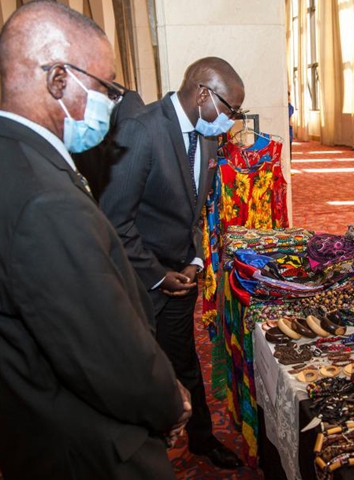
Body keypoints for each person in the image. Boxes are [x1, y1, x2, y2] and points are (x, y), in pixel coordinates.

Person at [0, 3, 189, 479]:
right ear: (60, 79)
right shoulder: (42, 197)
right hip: (91, 451)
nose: (112, 104)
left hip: (36, 428)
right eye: (106, 88)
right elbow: (103, 350)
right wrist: (167, 401)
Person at [100, 57, 244, 469]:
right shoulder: (141, 131)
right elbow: (114, 221)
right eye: (230, 110)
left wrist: (195, 260)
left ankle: (200, 439)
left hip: (182, 273)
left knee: (185, 363)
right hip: (138, 280)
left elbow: (193, 210)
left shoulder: (208, 135)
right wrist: (157, 275)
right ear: (203, 94)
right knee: (139, 369)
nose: (230, 122)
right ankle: (143, 452)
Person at [72, 88, 144, 202]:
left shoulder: (125, 99)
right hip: (100, 184)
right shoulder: (77, 98)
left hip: (112, 188)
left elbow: (132, 145)